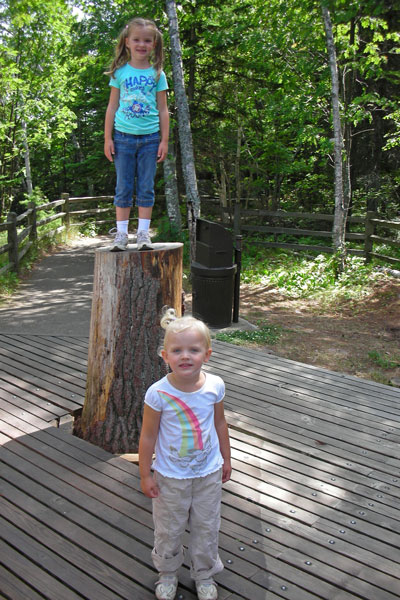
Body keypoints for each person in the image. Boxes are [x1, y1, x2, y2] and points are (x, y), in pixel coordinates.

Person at [139, 311, 232, 600]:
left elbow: (219, 423)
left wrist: (227, 459)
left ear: (207, 354)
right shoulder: (158, 393)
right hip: (170, 477)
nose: (185, 356)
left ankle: (204, 574)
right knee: (169, 528)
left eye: (194, 349)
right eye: (177, 350)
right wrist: (145, 473)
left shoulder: (215, 386)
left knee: (207, 526)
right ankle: (167, 573)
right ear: (165, 355)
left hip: (208, 473)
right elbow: (148, 436)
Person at [104, 18, 169, 251]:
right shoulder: (119, 73)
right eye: (137, 40)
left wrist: (164, 140)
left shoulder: (158, 74)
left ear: (154, 44)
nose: (142, 44)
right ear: (127, 42)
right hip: (123, 138)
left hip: (150, 139)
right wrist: (107, 138)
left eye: (147, 40)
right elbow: (112, 106)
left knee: (146, 186)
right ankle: (121, 235)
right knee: (123, 186)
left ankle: (143, 233)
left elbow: (163, 109)